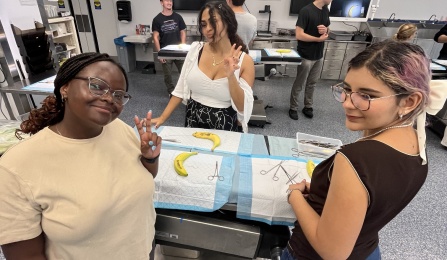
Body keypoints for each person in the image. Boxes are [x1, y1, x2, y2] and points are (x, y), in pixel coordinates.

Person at [0, 53, 161, 259]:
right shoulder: (16, 167)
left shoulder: (120, 129)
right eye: (97, 85)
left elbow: (145, 178)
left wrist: (150, 159)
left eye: (119, 95)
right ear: (65, 87)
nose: (109, 98)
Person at [283, 41, 433, 259]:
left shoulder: (355, 159)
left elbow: (332, 252)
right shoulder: (417, 143)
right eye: (347, 90)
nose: (347, 103)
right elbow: (372, 199)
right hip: (367, 250)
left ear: (409, 101)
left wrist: (294, 195)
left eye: (367, 95)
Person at [152, 1, 255, 133]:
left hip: (225, 126)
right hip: (193, 121)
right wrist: (162, 118)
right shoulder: (196, 50)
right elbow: (180, 89)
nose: (208, 29)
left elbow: (242, 107)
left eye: (214, 21)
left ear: (228, 21)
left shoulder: (245, 61)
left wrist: (231, 76)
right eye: (204, 24)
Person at [289, 0, 331, 120]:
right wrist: (318, 39)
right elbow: (299, 34)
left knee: (312, 83)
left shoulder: (325, 10)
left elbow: (328, 29)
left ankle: (308, 106)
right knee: (300, 83)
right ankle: (293, 107)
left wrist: (326, 31)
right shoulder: (306, 11)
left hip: (319, 55)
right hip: (306, 55)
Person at [152, 0, 187, 95]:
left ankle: (185, 91)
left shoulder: (178, 17)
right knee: (168, 75)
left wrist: (183, 48)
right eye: (167, 0)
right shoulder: (157, 19)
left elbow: (183, 32)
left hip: (178, 51)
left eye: (171, 0)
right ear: (161, 3)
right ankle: (171, 92)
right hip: (166, 52)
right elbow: (155, 37)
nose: (169, 2)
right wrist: (160, 53)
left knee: (185, 73)